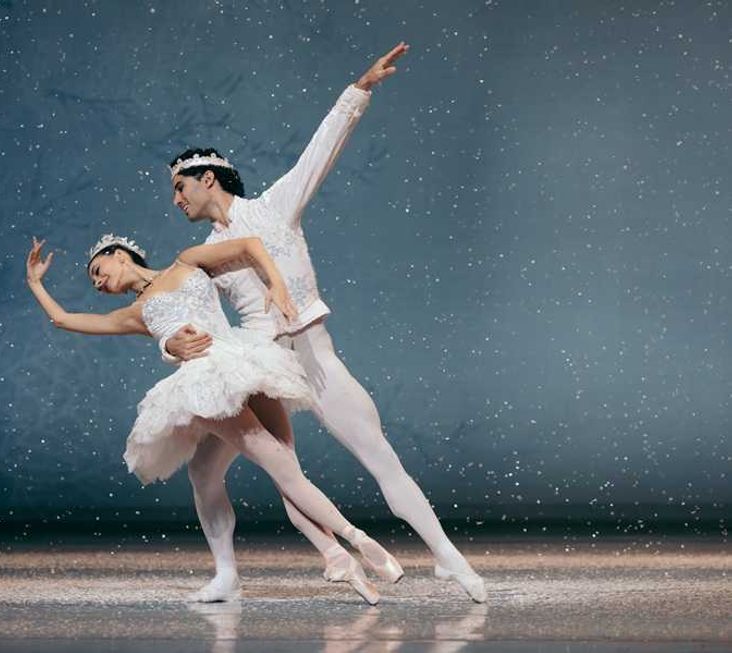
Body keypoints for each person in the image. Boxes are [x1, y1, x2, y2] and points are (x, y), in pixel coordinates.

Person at [160, 42, 487, 603]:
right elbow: (170, 307)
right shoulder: (204, 255)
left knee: (380, 455)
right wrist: (173, 345)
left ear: (208, 178)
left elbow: (320, 150)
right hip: (258, 369)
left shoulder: (272, 208)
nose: (176, 200)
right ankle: (227, 574)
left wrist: (358, 90)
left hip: (312, 358)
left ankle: (447, 558)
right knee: (204, 470)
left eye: (180, 187)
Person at [25, 233, 403, 604]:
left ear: (120, 255)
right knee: (209, 472)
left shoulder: (186, 260)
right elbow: (63, 319)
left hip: (235, 366)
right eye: (93, 280)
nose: (97, 282)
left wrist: (277, 285)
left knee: (282, 465)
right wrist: (35, 283)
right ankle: (302, 560)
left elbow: (250, 244)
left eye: (97, 269)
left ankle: (355, 540)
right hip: (221, 374)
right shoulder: (133, 313)